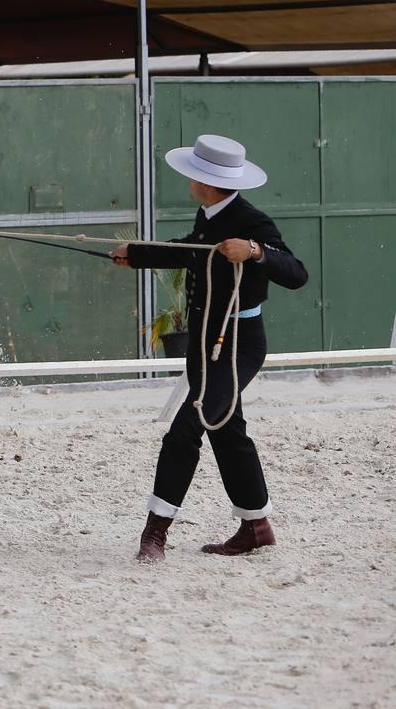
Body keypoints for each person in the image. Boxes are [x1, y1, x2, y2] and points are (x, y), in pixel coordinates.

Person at [110, 134, 308, 563]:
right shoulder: (210, 214)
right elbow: (194, 252)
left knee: (188, 426)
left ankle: (155, 532)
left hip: (238, 344)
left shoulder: (252, 222)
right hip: (203, 341)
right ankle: (256, 526)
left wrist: (255, 252)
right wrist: (137, 254)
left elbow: (296, 273)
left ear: (204, 180)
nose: (188, 180)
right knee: (225, 427)